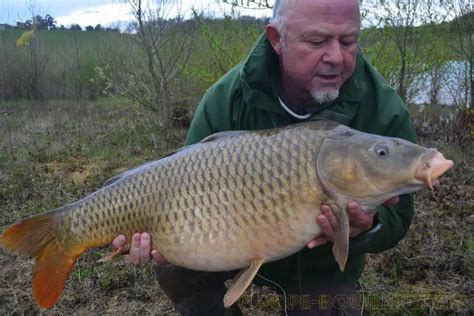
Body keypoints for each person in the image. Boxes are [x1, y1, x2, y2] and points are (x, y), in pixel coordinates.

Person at [112, 0, 416, 314]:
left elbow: (399, 218)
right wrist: (162, 240)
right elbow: (178, 183)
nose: (336, 57)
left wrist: (367, 226)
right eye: (317, 41)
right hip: (226, 241)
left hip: (322, 266)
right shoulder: (225, 100)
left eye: (349, 41)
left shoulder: (384, 109)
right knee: (175, 269)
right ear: (276, 39)